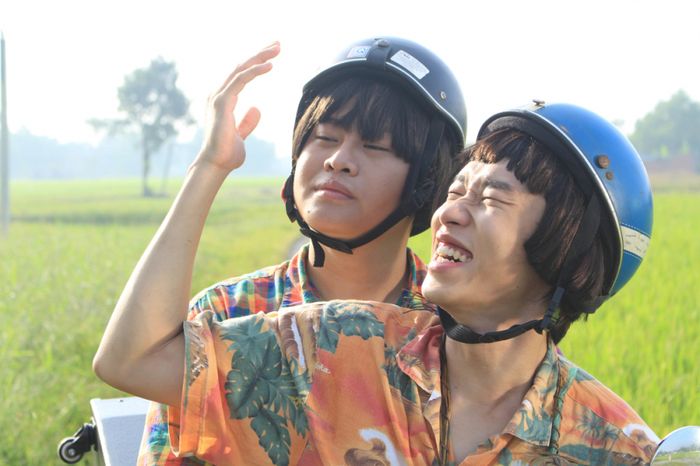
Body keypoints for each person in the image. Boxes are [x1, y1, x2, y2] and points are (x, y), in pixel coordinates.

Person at [95, 101, 660, 465]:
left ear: (569, 258)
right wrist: (208, 169)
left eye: (490, 198)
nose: (449, 214)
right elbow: (133, 361)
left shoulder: (614, 445)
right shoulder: (341, 346)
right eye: (455, 192)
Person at [92, 37, 467, 464]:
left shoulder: (454, 328)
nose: (338, 160)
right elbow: (129, 367)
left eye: (375, 146)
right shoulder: (229, 313)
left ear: (429, 179)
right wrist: (211, 165)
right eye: (324, 137)